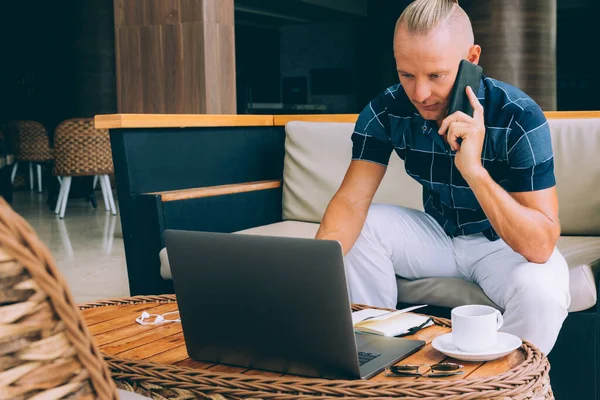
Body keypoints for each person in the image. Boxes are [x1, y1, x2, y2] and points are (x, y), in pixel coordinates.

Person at [315, 0, 569, 355]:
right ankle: (373, 359)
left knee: (543, 291)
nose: (419, 94)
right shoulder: (385, 110)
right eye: (406, 74)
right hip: (439, 235)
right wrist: (313, 273)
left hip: (501, 245)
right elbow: (351, 201)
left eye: (436, 75)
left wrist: (474, 170)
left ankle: (503, 388)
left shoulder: (519, 116)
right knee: (363, 226)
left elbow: (540, 245)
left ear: (472, 59)